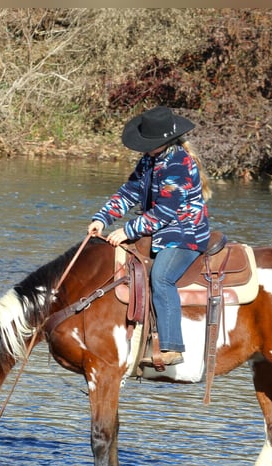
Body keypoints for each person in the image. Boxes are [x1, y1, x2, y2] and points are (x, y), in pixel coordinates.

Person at [87, 106, 212, 366]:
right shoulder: (149, 159)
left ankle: (171, 347)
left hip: (184, 233)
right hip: (157, 230)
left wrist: (128, 230)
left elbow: (166, 210)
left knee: (162, 277)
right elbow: (130, 191)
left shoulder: (178, 163)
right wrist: (103, 218)